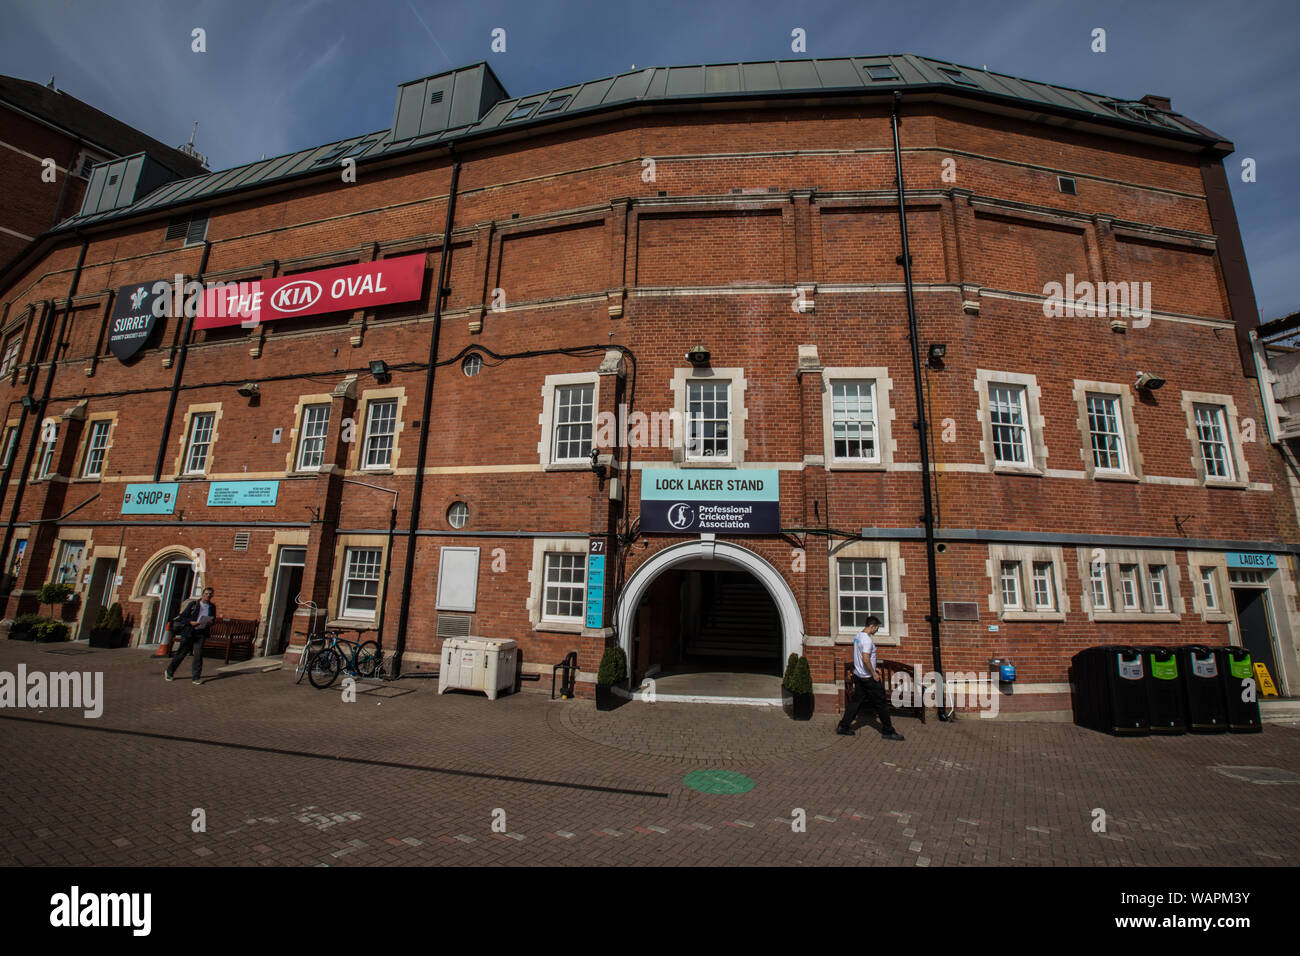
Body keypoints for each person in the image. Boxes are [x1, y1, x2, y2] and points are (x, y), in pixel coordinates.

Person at [836, 615, 904, 740]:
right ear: (872, 626)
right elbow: (866, 658)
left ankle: (843, 726)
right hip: (868, 678)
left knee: (855, 702)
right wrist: (874, 673)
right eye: (876, 628)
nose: (877, 630)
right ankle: (888, 731)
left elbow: (862, 658)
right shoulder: (867, 640)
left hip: (859, 675)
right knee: (881, 703)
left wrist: (873, 667)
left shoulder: (858, 636)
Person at [164, 586, 217, 685]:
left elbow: (213, 619)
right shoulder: (193, 605)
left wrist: (210, 622)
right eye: (206, 594)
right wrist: (190, 622)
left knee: (198, 655)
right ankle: (169, 671)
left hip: (201, 633)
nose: (208, 596)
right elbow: (181, 618)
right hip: (189, 632)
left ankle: (196, 677)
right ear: (202, 594)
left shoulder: (212, 607)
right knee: (181, 653)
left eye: (210, 594)